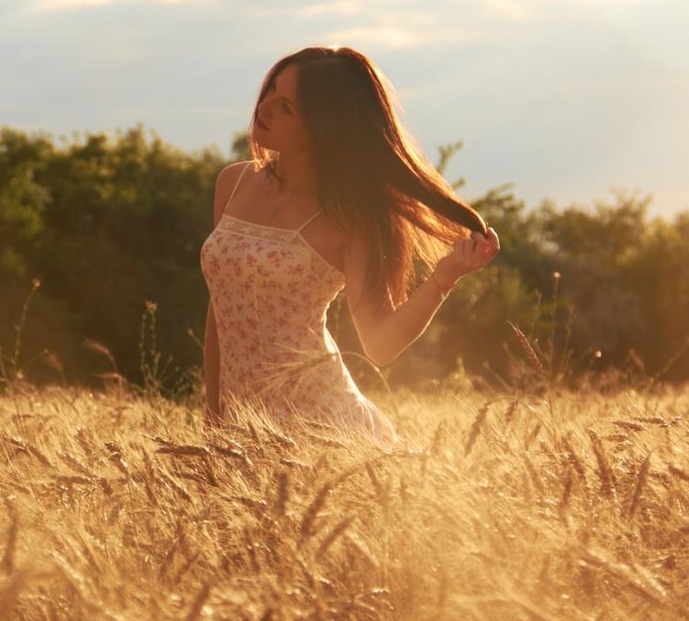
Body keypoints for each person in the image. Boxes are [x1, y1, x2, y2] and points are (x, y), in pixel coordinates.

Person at [200, 46, 500, 446]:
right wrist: (213, 417)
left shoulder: (349, 221)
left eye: (286, 106)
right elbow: (220, 307)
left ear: (323, 127)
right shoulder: (233, 183)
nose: (265, 107)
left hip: (322, 432)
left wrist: (442, 279)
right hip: (241, 431)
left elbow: (379, 344)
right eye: (270, 89)